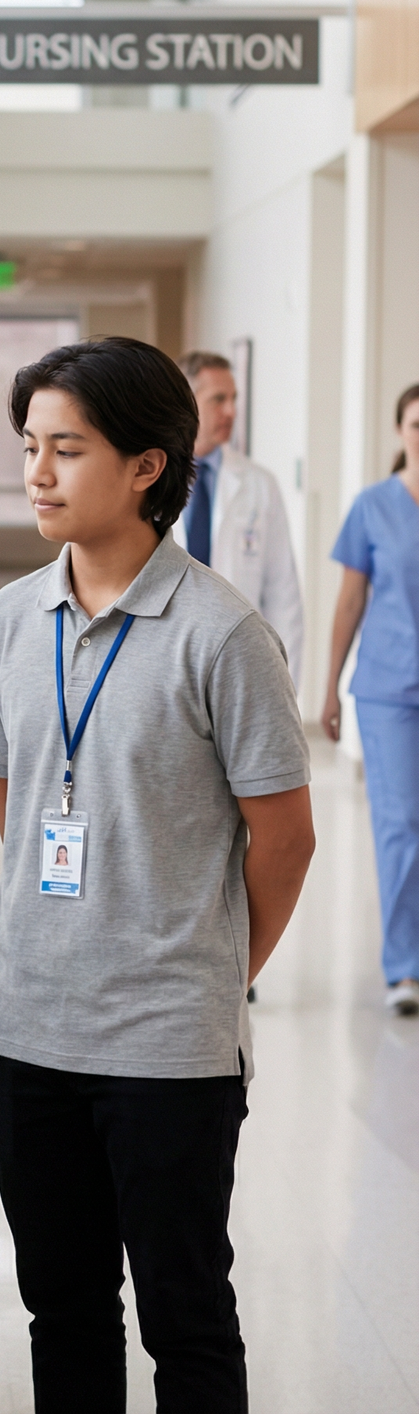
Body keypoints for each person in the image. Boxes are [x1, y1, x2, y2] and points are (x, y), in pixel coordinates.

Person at [0, 336, 314, 1412]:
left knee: (184, 1314)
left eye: (66, 449)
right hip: (27, 1027)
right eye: (31, 446)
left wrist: (210, 972)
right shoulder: (4, 623)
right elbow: (16, 808)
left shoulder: (225, 634)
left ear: (146, 466)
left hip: (168, 1046)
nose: (37, 472)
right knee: (61, 1309)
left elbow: (285, 838)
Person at [322, 382, 419, 1017]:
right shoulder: (373, 506)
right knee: (402, 823)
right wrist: (328, 684)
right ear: (400, 431)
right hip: (389, 690)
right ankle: (405, 968)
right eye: (417, 424)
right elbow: (350, 600)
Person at [171, 350, 305, 685]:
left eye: (234, 399)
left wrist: (284, 682)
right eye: (219, 399)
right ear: (187, 401)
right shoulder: (150, 479)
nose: (231, 411)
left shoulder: (259, 484)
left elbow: (283, 593)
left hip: (239, 659)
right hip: (170, 653)